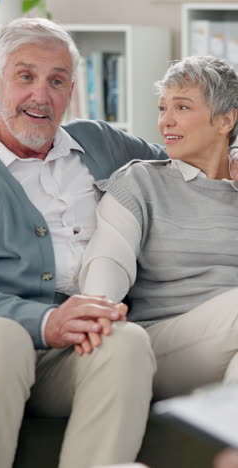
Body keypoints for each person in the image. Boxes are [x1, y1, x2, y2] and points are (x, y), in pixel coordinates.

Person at [0, 16, 168, 468]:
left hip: (73, 350)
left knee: (125, 342)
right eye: (26, 76)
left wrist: (232, 151)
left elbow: (185, 155)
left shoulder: (100, 142)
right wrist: (45, 321)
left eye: (57, 80)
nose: (42, 96)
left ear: (72, 89)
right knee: (2, 340)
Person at [80, 56, 238, 402]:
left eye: (181, 107)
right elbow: (107, 264)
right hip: (162, 346)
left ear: (226, 119)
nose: (166, 121)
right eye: (163, 108)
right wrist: (98, 310)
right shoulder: (140, 181)